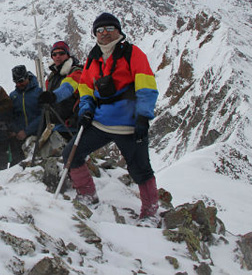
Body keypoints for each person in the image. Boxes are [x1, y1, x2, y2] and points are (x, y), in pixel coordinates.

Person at [62, 13, 160, 219]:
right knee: (71, 153)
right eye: (99, 30)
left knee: (142, 170)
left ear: (118, 31)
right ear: (95, 34)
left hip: (129, 124)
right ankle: (88, 195)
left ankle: (150, 213)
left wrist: (143, 117)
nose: (104, 34)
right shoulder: (94, 57)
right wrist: (85, 109)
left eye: (108, 29)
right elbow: (86, 87)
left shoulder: (133, 54)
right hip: (100, 121)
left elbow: (146, 88)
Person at [38, 41, 83, 141]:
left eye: (61, 53)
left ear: (67, 55)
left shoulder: (76, 72)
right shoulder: (51, 77)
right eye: (54, 54)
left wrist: (53, 96)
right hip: (55, 127)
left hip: (72, 127)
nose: (57, 56)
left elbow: (67, 88)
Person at [9, 65, 42, 165]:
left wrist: (26, 131)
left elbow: (43, 115)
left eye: (21, 81)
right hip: (18, 139)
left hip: (38, 136)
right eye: (16, 82)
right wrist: (16, 130)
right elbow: (11, 116)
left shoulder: (39, 92)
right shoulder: (13, 96)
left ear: (27, 77)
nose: (19, 84)